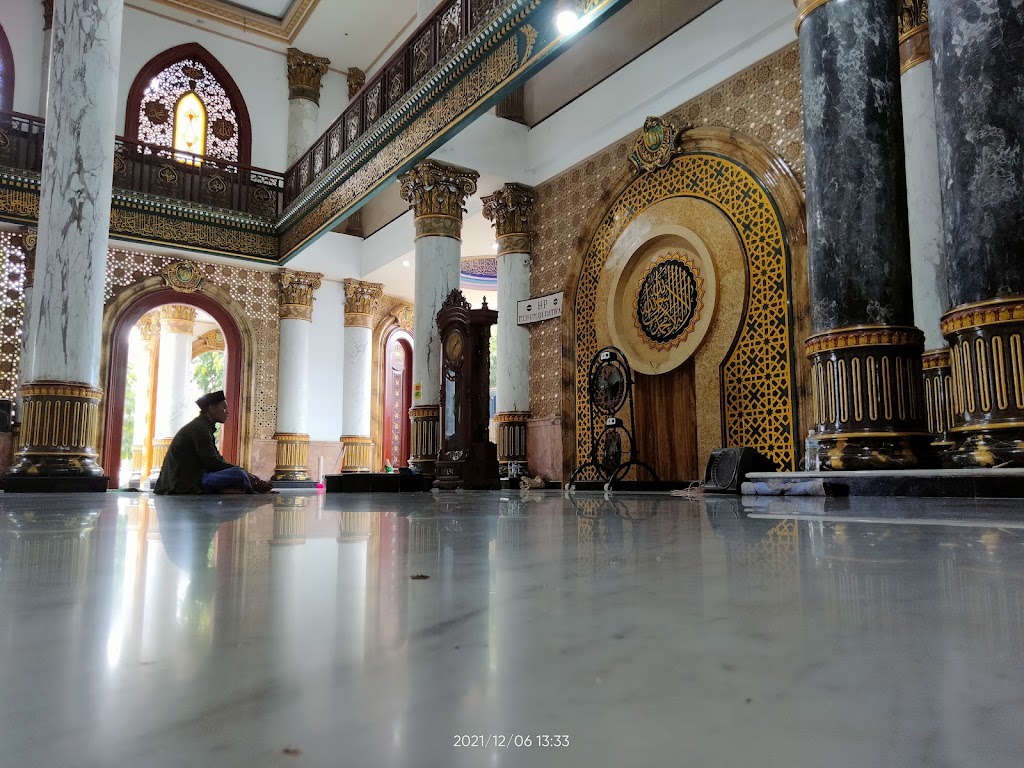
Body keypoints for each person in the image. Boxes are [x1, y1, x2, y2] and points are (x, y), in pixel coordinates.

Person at [153, 390, 273, 495]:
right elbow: (212, 462)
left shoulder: (204, 427)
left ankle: (230, 488)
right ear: (211, 408)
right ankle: (252, 487)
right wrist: (246, 474)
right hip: (185, 482)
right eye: (223, 408)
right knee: (238, 474)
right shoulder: (199, 428)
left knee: (238, 473)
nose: (227, 412)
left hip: (198, 477)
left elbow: (215, 459)